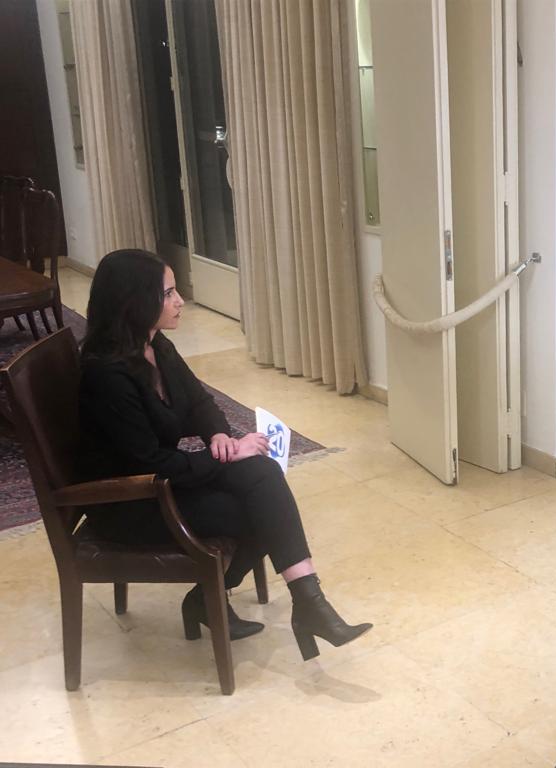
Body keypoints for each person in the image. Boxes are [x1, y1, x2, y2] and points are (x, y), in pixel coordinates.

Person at [77, 249, 371, 660]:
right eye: (168, 293)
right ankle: (218, 600)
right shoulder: (106, 373)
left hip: (164, 481)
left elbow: (199, 400)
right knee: (259, 508)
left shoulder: (154, 344)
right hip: (131, 500)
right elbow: (149, 462)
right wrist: (224, 458)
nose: (180, 301)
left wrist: (218, 435)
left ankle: (309, 602)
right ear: (135, 302)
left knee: (261, 473)